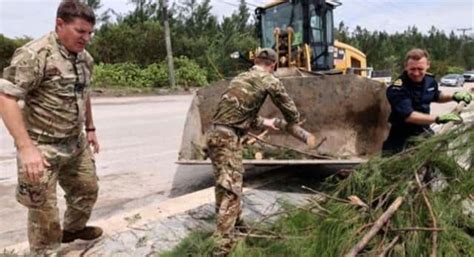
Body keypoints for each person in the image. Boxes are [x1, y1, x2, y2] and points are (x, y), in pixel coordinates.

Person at [0, 1, 102, 255]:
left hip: (74, 142)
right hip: (40, 146)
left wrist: (90, 128)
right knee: (44, 212)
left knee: (87, 190)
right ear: (60, 24)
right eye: (80, 31)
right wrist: (26, 149)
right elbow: (6, 97)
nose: (86, 38)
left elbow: (83, 91)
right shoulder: (35, 55)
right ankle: (45, 251)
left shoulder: (85, 59)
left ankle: (73, 230)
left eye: (90, 33)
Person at [206, 48, 301, 256]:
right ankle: (221, 248)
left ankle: (237, 227)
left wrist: (266, 122)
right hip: (228, 138)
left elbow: (239, 111)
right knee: (231, 190)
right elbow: (287, 105)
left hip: (214, 135)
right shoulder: (269, 79)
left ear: (256, 61)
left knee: (224, 187)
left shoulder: (241, 78)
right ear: (273, 65)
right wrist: (294, 123)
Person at [382, 48, 472, 155]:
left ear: (428, 65)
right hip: (401, 140)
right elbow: (409, 116)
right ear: (406, 66)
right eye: (412, 69)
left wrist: (454, 96)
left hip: (424, 134)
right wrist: (438, 118)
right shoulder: (397, 88)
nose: (416, 73)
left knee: (437, 160)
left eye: (420, 69)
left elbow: (436, 95)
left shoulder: (429, 81)